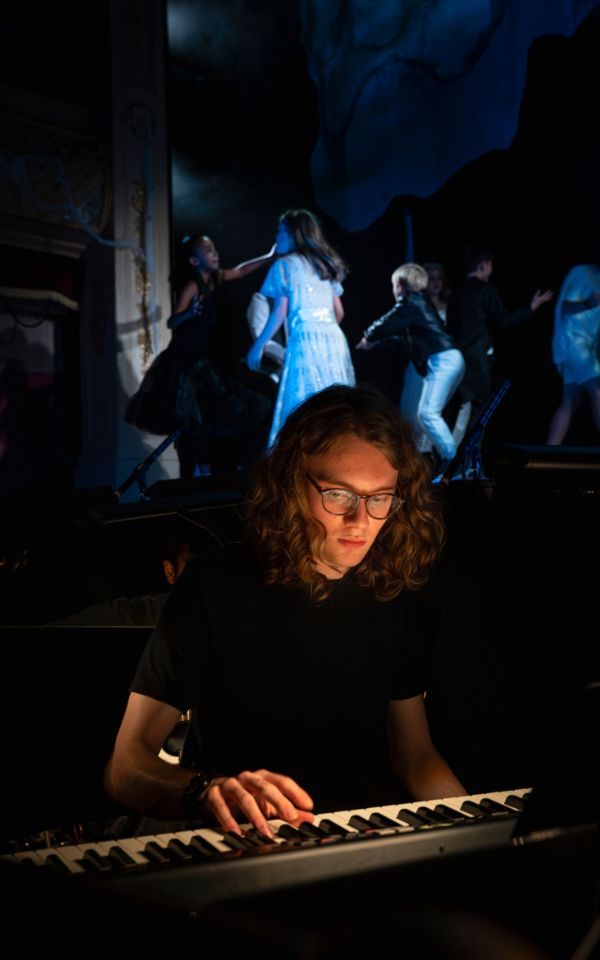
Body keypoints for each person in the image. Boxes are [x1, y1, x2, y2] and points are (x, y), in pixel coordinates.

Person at [103, 384, 466, 838]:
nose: (361, 521)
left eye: (379, 499)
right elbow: (124, 768)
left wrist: (475, 824)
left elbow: (415, 756)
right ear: (292, 485)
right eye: (339, 495)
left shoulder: (394, 590)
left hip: (361, 841)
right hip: (242, 842)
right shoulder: (216, 585)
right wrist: (204, 790)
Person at [125, 233, 275, 477]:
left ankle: (201, 474)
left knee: (203, 419)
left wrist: (269, 257)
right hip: (182, 362)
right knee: (189, 421)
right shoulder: (193, 285)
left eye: (214, 249)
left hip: (199, 362)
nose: (214, 253)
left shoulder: (215, 279)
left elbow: (240, 271)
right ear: (194, 261)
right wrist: (189, 313)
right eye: (207, 250)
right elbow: (173, 321)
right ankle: (189, 476)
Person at [246, 208, 356, 448]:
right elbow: (339, 313)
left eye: (280, 231)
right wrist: (324, 327)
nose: (276, 237)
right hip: (334, 338)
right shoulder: (324, 266)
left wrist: (258, 345)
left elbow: (279, 312)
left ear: (293, 233)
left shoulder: (285, 265)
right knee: (335, 401)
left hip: (306, 338)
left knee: (306, 399)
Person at [357, 263, 465, 471]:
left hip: (444, 360)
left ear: (400, 285)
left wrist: (369, 336)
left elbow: (387, 322)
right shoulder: (417, 306)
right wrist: (376, 343)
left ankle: (453, 461)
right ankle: (435, 461)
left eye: (394, 285)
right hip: (447, 360)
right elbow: (401, 339)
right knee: (425, 414)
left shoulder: (412, 302)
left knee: (427, 413)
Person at [446, 246, 553, 444]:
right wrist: (531, 308)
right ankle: (468, 459)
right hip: (479, 359)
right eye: (490, 265)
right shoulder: (486, 290)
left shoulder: (457, 293)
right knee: (479, 410)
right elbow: (504, 321)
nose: (491, 270)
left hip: (457, 359)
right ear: (483, 264)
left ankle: (453, 459)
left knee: (462, 408)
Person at [399, 262, 454, 454]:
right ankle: (413, 456)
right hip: (419, 364)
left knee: (431, 413)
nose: (436, 283)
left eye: (439, 278)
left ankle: (430, 457)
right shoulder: (416, 305)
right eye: (431, 278)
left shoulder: (451, 308)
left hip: (440, 369)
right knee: (412, 412)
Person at [546, 263, 600, 444]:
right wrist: (589, 302)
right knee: (598, 389)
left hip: (581, 348)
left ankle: (550, 451)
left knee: (570, 400)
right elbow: (566, 306)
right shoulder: (584, 273)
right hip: (573, 343)